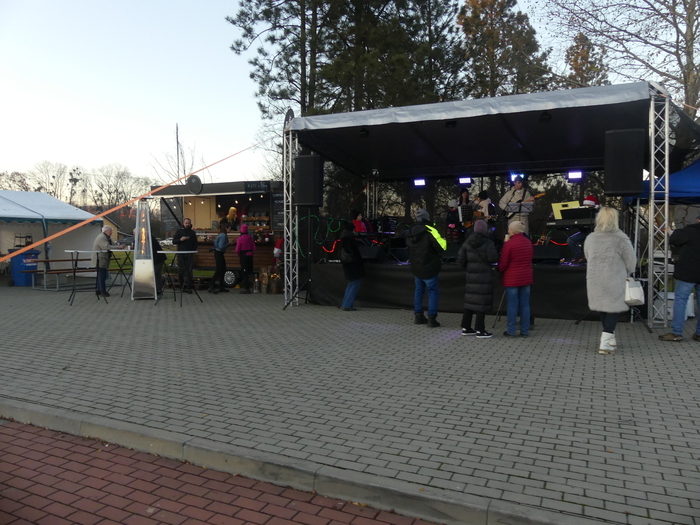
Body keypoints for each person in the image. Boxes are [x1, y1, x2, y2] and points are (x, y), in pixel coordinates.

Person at [584, 207, 636, 354]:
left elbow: (587, 256)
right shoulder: (621, 238)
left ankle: (610, 339)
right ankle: (605, 342)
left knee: (603, 307)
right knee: (613, 308)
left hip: (595, 278)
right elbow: (631, 261)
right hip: (614, 278)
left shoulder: (591, 238)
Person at [659, 215, 700, 342]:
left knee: (681, 301)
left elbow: (676, 240)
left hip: (688, 272)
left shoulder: (691, 230)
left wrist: (670, 232)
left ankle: (676, 332)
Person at [405, 208, 447, 327]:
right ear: (427, 218)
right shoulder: (431, 231)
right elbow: (442, 247)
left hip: (416, 267)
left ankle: (418, 316)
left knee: (419, 291)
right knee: (432, 292)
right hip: (430, 267)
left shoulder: (410, 232)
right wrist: (444, 240)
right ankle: (432, 318)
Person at [457, 219, 498, 338]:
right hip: (484, 276)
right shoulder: (488, 242)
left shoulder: (467, 242)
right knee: (481, 302)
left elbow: (460, 259)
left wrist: (469, 267)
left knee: (470, 301)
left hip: (471, 276)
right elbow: (493, 258)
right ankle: (480, 329)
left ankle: (466, 327)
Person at [498, 221, 533, 337]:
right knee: (525, 304)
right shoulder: (528, 242)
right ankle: (525, 330)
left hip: (512, 278)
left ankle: (511, 330)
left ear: (512, 231)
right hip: (526, 277)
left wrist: (499, 270)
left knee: (512, 304)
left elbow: (503, 264)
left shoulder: (509, 244)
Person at [91, 226, 125, 297]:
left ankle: (99, 290)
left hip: (103, 259)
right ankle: (102, 291)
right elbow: (106, 247)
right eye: (110, 231)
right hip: (99, 259)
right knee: (102, 275)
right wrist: (119, 247)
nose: (111, 232)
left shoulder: (107, 237)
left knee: (101, 274)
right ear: (105, 231)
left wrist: (119, 246)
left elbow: (112, 245)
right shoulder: (101, 238)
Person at [339, 221, 365, 311]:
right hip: (353, 265)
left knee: (351, 284)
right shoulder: (350, 239)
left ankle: (345, 304)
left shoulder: (344, 238)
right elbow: (355, 253)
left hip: (347, 264)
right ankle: (347, 305)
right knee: (354, 284)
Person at [173, 218, 198, 294]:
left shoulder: (192, 233)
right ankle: (181, 287)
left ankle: (189, 287)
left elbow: (195, 243)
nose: (187, 224)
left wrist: (193, 250)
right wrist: (180, 240)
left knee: (189, 271)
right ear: (183, 223)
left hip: (189, 253)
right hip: (181, 253)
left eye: (188, 223)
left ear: (190, 224)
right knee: (181, 270)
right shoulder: (179, 231)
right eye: (186, 223)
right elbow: (174, 241)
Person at [208, 223, 231, 294]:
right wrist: (228, 244)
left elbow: (216, 243)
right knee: (219, 269)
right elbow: (221, 246)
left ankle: (221, 286)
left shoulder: (220, 234)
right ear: (226, 228)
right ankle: (211, 285)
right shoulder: (223, 235)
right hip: (219, 253)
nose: (230, 230)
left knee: (222, 269)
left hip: (217, 252)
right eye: (230, 229)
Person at [236, 223, 256, 294]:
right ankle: (253, 287)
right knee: (250, 271)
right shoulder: (250, 238)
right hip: (250, 255)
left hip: (243, 256)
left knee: (244, 272)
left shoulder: (240, 239)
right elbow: (254, 248)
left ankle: (246, 288)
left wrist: (240, 255)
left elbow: (237, 250)